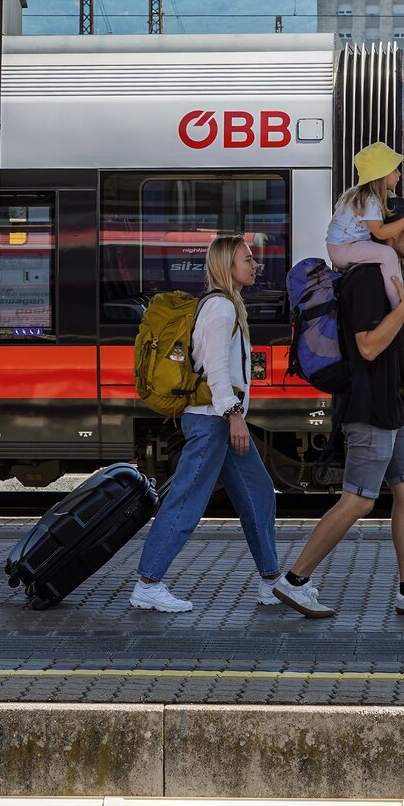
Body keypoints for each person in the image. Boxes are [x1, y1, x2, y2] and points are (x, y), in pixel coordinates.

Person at [274, 198, 404, 619]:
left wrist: (401, 306)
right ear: (391, 231)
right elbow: (367, 345)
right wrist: (403, 308)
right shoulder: (363, 278)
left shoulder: (386, 276)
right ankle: (294, 581)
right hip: (368, 406)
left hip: (391, 405)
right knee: (359, 500)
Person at [130, 233, 280, 613]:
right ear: (227, 265)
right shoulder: (221, 310)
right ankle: (148, 583)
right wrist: (234, 417)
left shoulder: (228, 306)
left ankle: (271, 581)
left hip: (219, 420)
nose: (254, 264)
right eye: (247, 259)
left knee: (258, 493)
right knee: (187, 499)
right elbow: (214, 371)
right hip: (212, 422)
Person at [326, 140, 404, 329]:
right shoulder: (371, 200)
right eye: (395, 170)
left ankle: (397, 300)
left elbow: (396, 213)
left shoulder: (370, 196)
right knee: (387, 253)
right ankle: (400, 308)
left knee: (387, 253)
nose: (399, 174)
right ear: (381, 175)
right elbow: (381, 232)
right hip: (344, 249)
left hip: (343, 247)